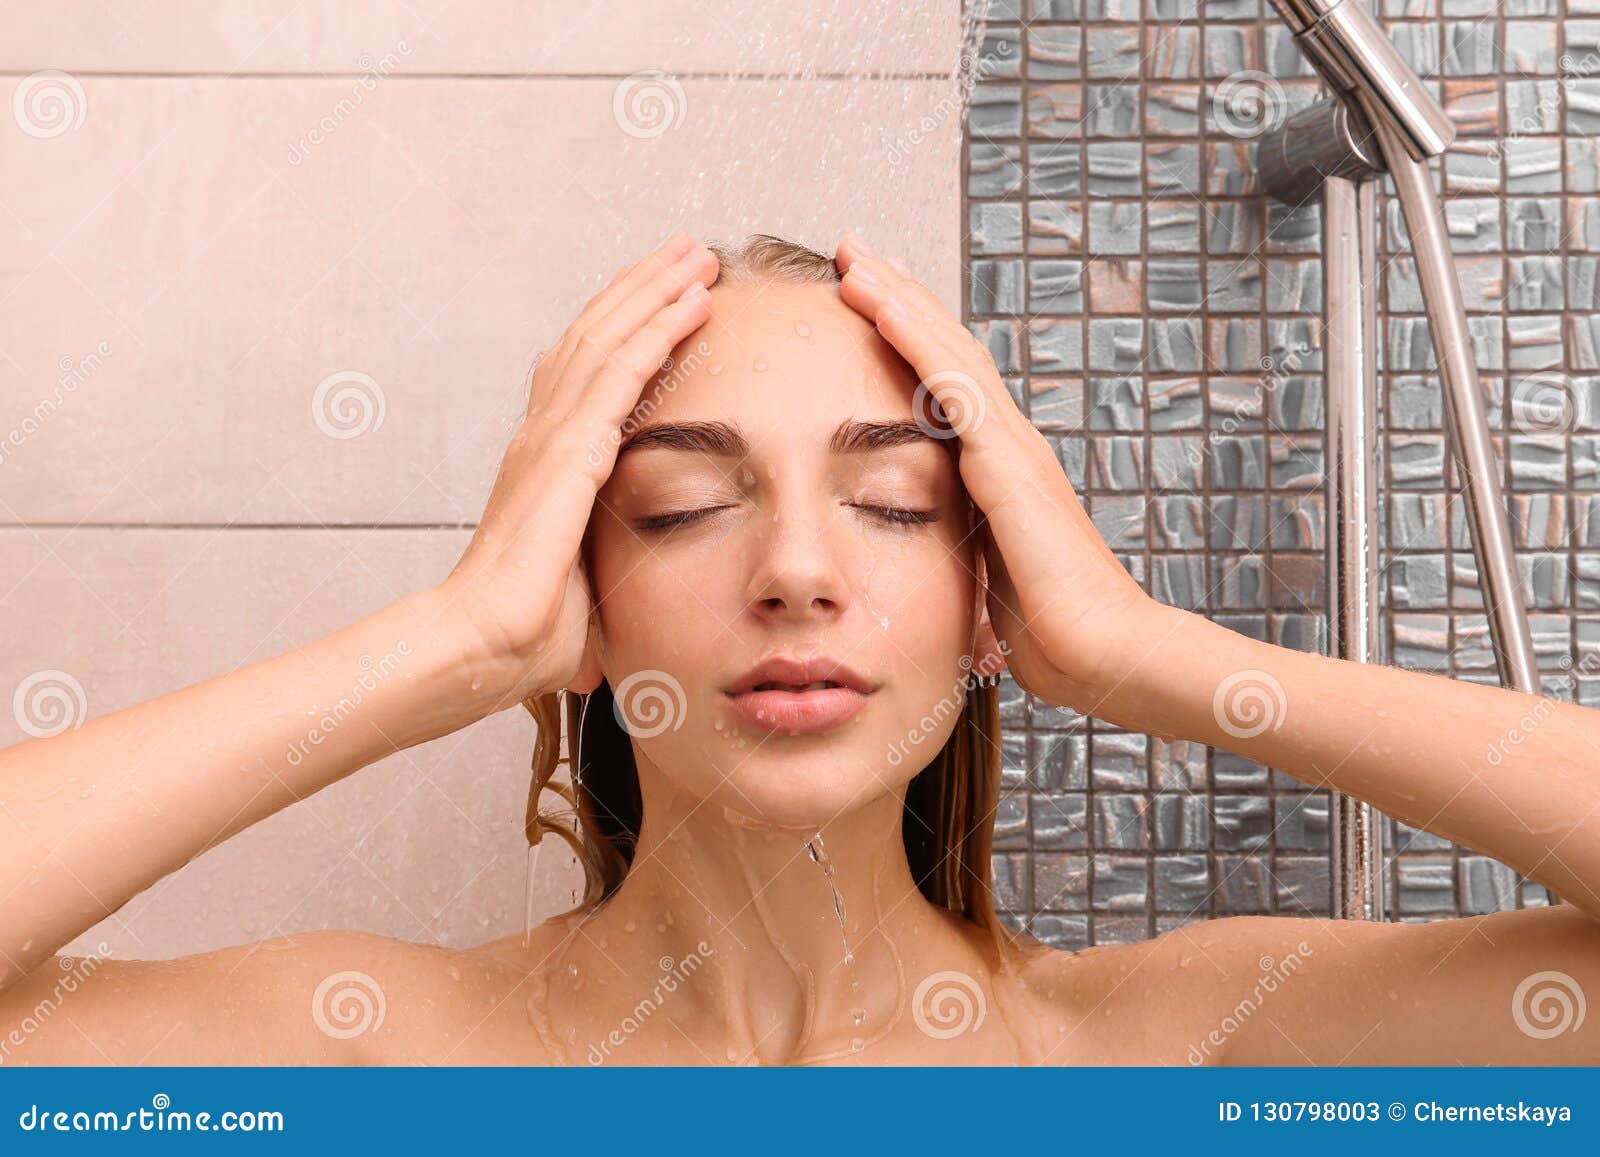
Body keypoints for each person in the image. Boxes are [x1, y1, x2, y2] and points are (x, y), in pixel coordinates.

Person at [1, 231, 1596, 1066]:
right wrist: (452, 638)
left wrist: (1140, 648)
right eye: (686, 504)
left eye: (896, 503)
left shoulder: (1174, 1054)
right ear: (579, 591)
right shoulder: (376, 1056)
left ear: (995, 597)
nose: (798, 571)